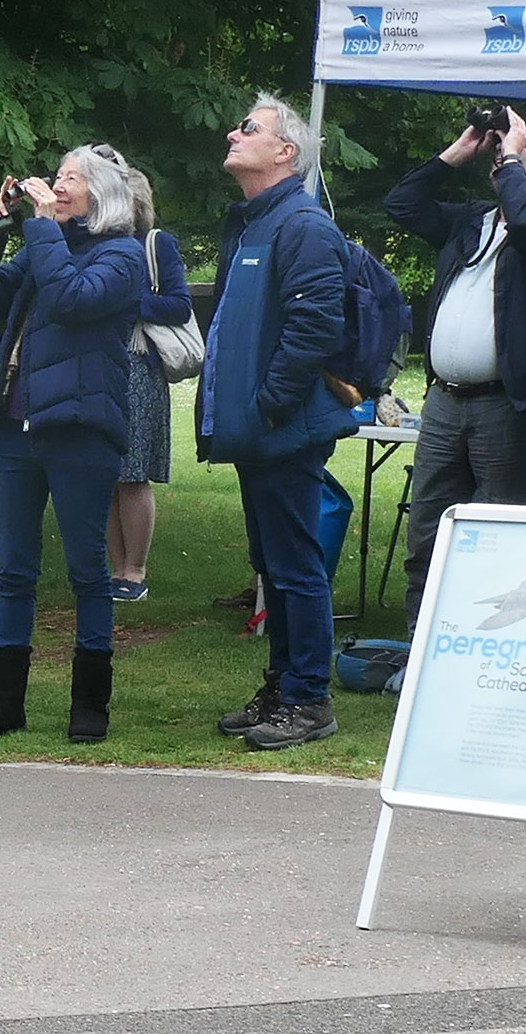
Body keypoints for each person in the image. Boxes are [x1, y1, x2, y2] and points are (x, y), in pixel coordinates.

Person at [0, 144, 147, 745]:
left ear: (101, 195)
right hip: (15, 428)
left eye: (70, 179)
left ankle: (90, 704)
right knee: (14, 571)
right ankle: (4, 703)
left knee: (88, 571)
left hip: (80, 431)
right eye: (55, 177)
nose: (56, 187)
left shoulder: (122, 255)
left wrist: (39, 230)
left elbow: (70, 298)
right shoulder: (44, 244)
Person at [383, 109, 526, 628]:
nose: (501, 155)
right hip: (445, 401)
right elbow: (401, 204)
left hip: (506, 405)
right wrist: (458, 150)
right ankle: (421, 640)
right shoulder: (471, 222)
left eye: (517, 151)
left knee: (502, 527)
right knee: (427, 526)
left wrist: (509, 157)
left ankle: (492, 642)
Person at [200, 95, 354, 751]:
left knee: (295, 566)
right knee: (274, 563)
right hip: (257, 429)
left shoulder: (304, 227)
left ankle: (308, 699)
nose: (232, 132)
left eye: (249, 127)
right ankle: (283, 685)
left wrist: (269, 403)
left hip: (281, 428)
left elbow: (315, 326)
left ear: (285, 151)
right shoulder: (254, 223)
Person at [108, 169, 189, 602]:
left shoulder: (156, 244)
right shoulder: (97, 245)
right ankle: (116, 570)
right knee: (107, 474)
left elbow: (178, 305)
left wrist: (127, 301)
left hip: (140, 368)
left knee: (133, 474)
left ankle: (135, 571)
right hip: (103, 366)